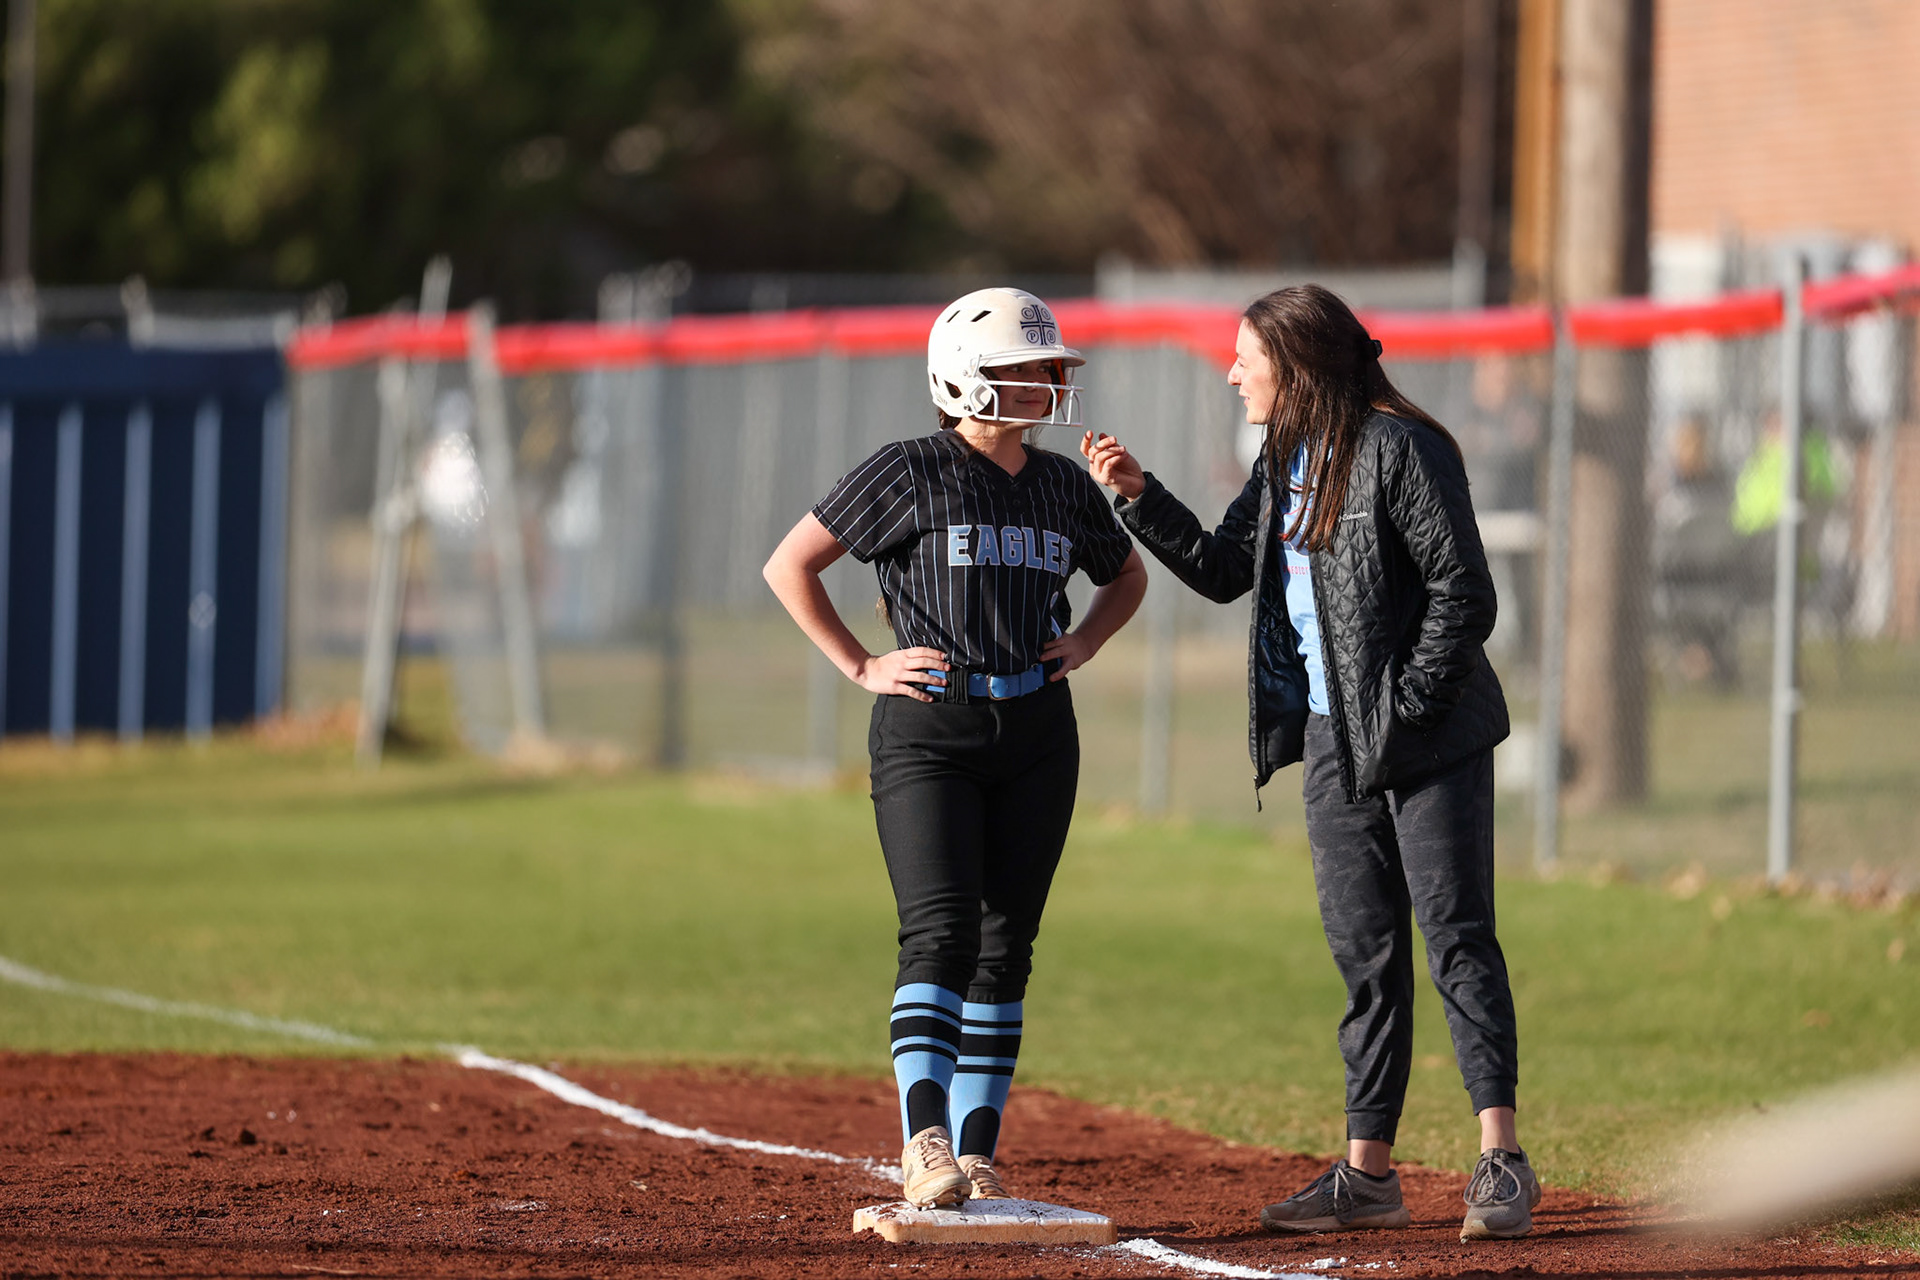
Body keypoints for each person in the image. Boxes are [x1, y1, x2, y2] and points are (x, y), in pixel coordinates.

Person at [1081, 284, 1535, 1242]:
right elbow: (1219, 568)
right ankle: (1369, 1176)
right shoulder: (1288, 454)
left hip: (1428, 736)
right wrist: (1139, 496)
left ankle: (1500, 1159)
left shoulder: (1403, 448)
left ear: (1299, 363)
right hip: (1335, 746)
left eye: (1247, 356)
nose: (1234, 372)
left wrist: (1402, 712)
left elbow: (1466, 594)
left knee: (1456, 938)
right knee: (1367, 959)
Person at [763, 287, 1147, 1209]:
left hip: (1039, 733)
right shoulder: (907, 469)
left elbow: (1126, 575)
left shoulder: (1059, 483)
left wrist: (1086, 642)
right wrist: (861, 665)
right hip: (931, 728)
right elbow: (791, 565)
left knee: (1005, 948)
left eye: (1050, 370)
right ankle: (923, 1140)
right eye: (1029, 371)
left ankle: (978, 1152)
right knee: (938, 932)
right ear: (968, 378)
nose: (1050, 385)